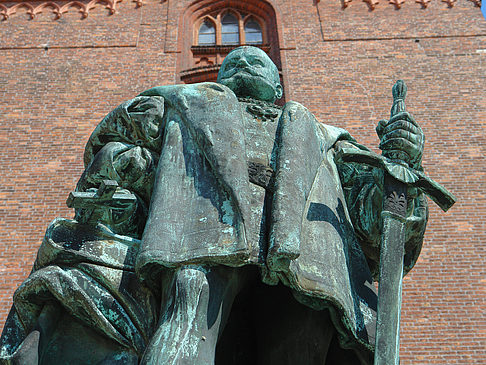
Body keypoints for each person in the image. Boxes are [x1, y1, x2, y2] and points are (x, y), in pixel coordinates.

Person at [0, 46, 427, 365]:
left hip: (309, 260)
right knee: (187, 325)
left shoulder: (330, 140)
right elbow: (119, 145)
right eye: (232, 61)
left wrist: (401, 167)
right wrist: (119, 169)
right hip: (200, 234)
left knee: (301, 343)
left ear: (278, 85)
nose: (242, 62)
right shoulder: (178, 104)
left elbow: (374, 220)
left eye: (256, 60)